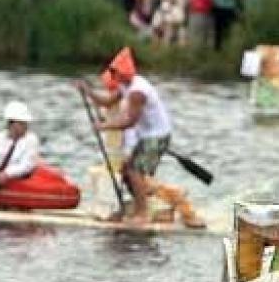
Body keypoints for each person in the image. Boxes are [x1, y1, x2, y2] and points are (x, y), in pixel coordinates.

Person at [76, 47, 205, 228]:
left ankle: (143, 213)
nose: (114, 78)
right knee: (129, 174)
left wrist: (104, 126)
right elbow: (106, 101)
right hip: (145, 136)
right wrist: (87, 91)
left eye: (116, 73)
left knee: (135, 172)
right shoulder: (124, 85)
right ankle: (164, 200)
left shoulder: (138, 91)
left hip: (156, 135)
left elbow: (130, 122)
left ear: (124, 73)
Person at [0, 101, 41, 187]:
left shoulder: (31, 140)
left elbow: (27, 165)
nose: (25, 126)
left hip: (16, 180)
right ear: (11, 124)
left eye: (25, 123)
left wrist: (6, 174)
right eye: (21, 123)